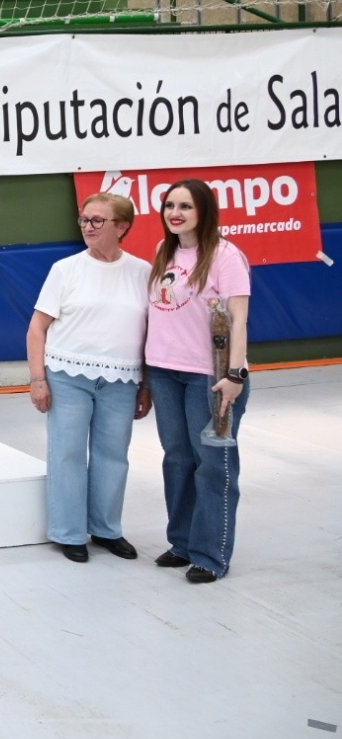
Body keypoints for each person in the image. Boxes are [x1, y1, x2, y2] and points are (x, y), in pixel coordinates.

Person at [25, 192, 153, 563]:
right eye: (85, 219)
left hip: (122, 381)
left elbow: (149, 333)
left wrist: (146, 384)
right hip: (67, 376)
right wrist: (38, 379)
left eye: (98, 220)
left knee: (113, 456)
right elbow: (37, 328)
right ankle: (68, 533)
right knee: (67, 454)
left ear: (122, 226)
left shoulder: (142, 272)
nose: (88, 226)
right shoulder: (65, 270)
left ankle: (107, 529)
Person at [144, 178, 252, 583]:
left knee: (213, 465)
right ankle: (183, 543)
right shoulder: (164, 249)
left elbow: (238, 319)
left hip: (210, 377)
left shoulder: (225, 255)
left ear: (203, 211)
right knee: (177, 459)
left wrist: (235, 374)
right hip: (164, 372)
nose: (176, 213)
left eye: (185, 206)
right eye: (170, 205)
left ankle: (210, 554)